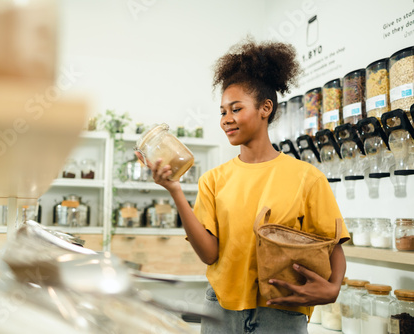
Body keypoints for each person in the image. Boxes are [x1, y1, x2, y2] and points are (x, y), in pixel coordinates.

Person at [137, 37, 349, 333]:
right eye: (223, 112)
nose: (226, 119)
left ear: (265, 108)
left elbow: (333, 245)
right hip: (220, 309)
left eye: (236, 109)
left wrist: (334, 288)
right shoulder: (212, 180)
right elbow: (209, 254)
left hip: (282, 311)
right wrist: (174, 189)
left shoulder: (306, 177)